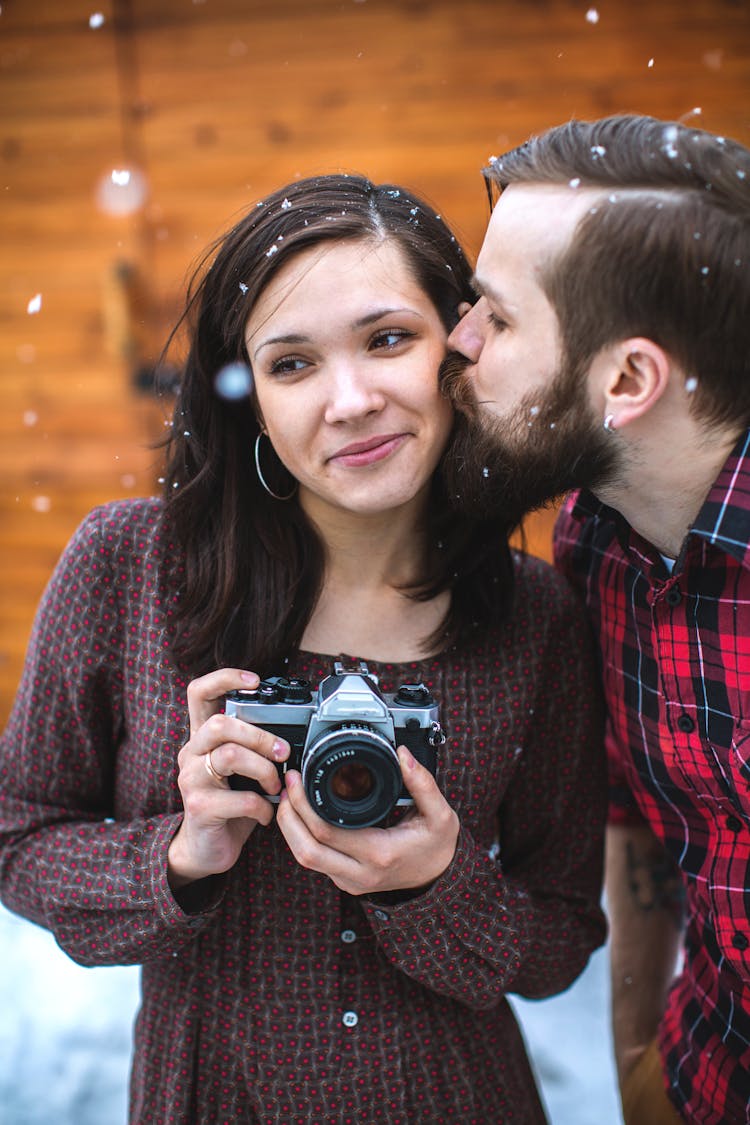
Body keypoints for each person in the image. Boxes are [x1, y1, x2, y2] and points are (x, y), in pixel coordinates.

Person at [0, 172, 607, 1125]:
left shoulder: (534, 616)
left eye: (388, 338)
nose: (352, 399)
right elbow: (17, 837)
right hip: (210, 1096)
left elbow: (564, 936)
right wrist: (181, 854)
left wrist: (439, 887)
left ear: (460, 345)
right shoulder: (125, 567)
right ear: (247, 399)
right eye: (292, 365)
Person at [442, 114, 750, 1125]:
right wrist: (635, 1052)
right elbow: (643, 813)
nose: (459, 341)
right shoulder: (594, 544)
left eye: (496, 315)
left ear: (626, 381)